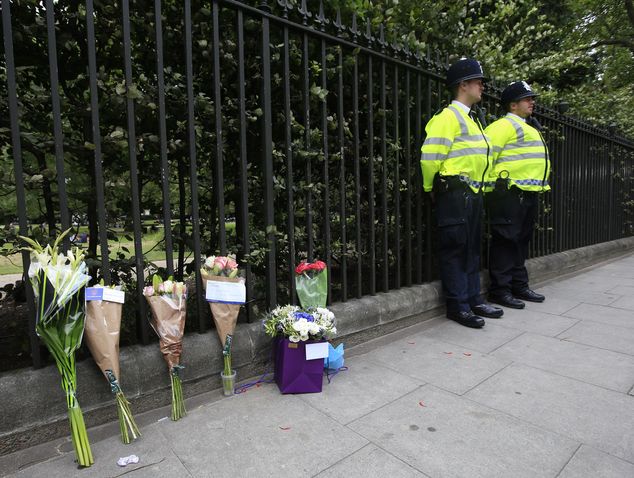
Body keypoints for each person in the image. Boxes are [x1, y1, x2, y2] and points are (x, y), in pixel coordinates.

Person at [420, 58, 503, 329]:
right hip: (454, 191)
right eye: (478, 81)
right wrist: (430, 187)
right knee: (456, 248)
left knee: (471, 249)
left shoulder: (474, 120)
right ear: (463, 85)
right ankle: (458, 305)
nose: (482, 86)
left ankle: (472, 299)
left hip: (472, 193)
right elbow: (430, 157)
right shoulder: (447, 117)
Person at [484, 81, 551, 309]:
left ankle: (518, 285)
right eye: (527, 99)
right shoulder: (502, 126)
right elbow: (485, 157)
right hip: (508, 194)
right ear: (513, 105)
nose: (532, 102)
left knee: (521, 241)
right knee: (506, 240)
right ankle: (500, 290)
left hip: (528, 193)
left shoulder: (529, 126)